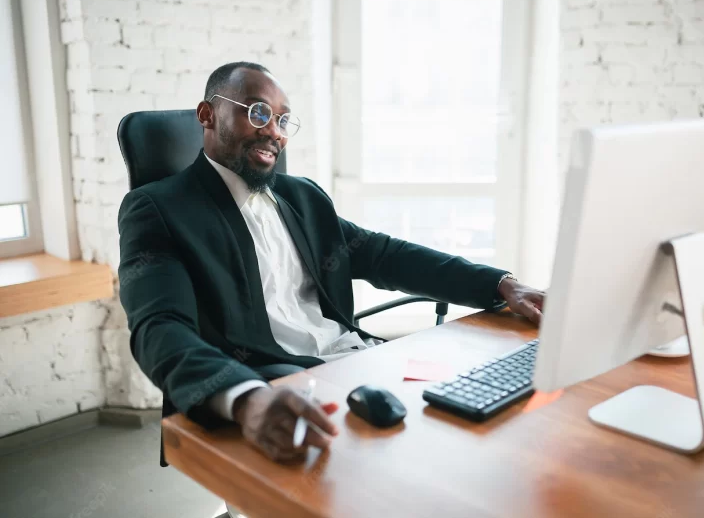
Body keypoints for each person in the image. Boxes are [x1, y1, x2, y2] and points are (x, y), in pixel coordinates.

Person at [118, 61, 545, 465]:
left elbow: (385, 255)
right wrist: (246, 397)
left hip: (357, 359)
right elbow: (160, 327)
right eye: (259, 112)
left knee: (484, 426)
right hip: (275, 384)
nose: (274, 132)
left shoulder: (301, 197)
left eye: (283, 121)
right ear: (208, 115)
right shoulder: (158, 208)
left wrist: (500, 284)